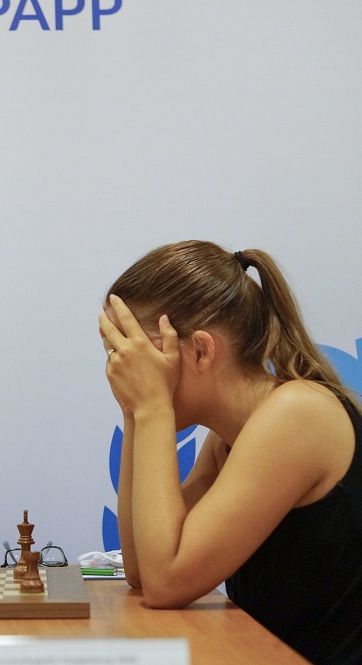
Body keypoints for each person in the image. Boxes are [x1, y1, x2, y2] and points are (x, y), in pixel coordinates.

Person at [99, 240, 362, 665]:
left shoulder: (298, 414)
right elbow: (141, 570)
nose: (122, 368)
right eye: (118, 354)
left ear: (202, 350)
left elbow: (166, 581)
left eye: (138, 353)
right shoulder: (228, 439)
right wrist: (135, 410)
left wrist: (151, 407)